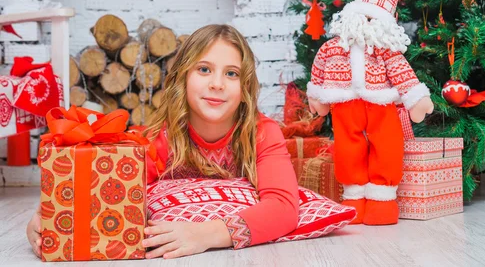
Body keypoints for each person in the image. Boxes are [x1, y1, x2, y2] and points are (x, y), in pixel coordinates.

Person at [26, 24, 299, 259]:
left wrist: (206, 235)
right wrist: (43, 220)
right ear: (183, 77)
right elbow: (99, 195)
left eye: (231, 73)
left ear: (245, 86)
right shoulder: (160, 138)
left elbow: (284, 208)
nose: (217, 83)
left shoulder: (262, 132)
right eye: (204, 69)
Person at [307, 0, 434, 226]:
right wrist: (317, 96)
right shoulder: (332, 47)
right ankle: (354, 197)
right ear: (351, 14)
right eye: (363, 15)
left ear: (384, 23)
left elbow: (401, 72)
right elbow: (318, 69)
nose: (366, 22)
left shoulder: (385, 50)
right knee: (347, 147)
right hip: (344, 103)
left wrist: (415, 98)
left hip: (380, 103)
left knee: (387, 145)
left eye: (372, 18)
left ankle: (382, 199)